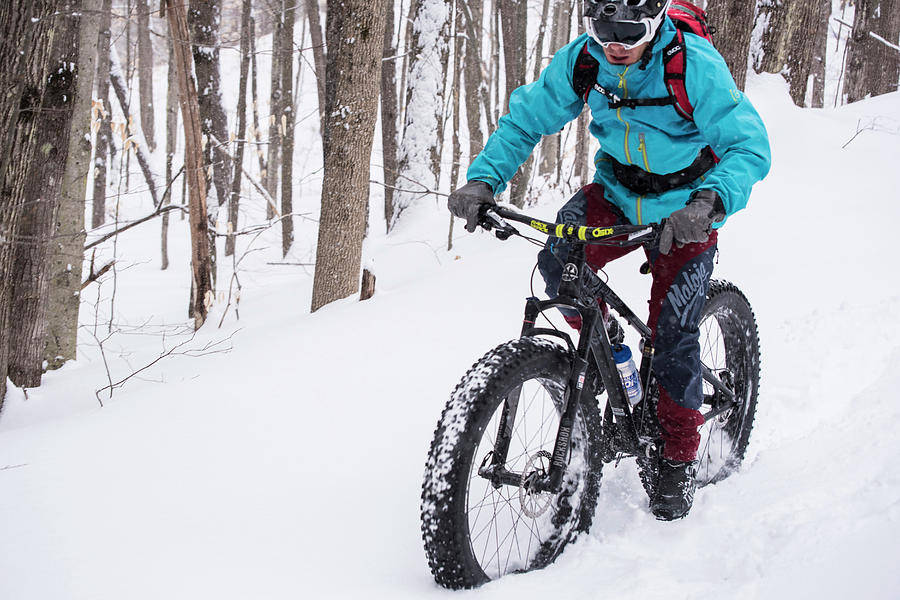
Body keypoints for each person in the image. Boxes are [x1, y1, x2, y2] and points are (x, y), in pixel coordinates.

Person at [448, 0, 771, 520]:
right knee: (558, 267)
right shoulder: (586, 60)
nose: (613, 42)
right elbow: (526, 119)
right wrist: (485, 178)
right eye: (602, 28)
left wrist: (710, 202)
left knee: (673, 338)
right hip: (617, 194)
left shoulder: (692, 64)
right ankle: (614, 354)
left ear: (656, 22)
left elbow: (749, 146)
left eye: (627, 29)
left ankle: (676, 460)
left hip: (685, 211)